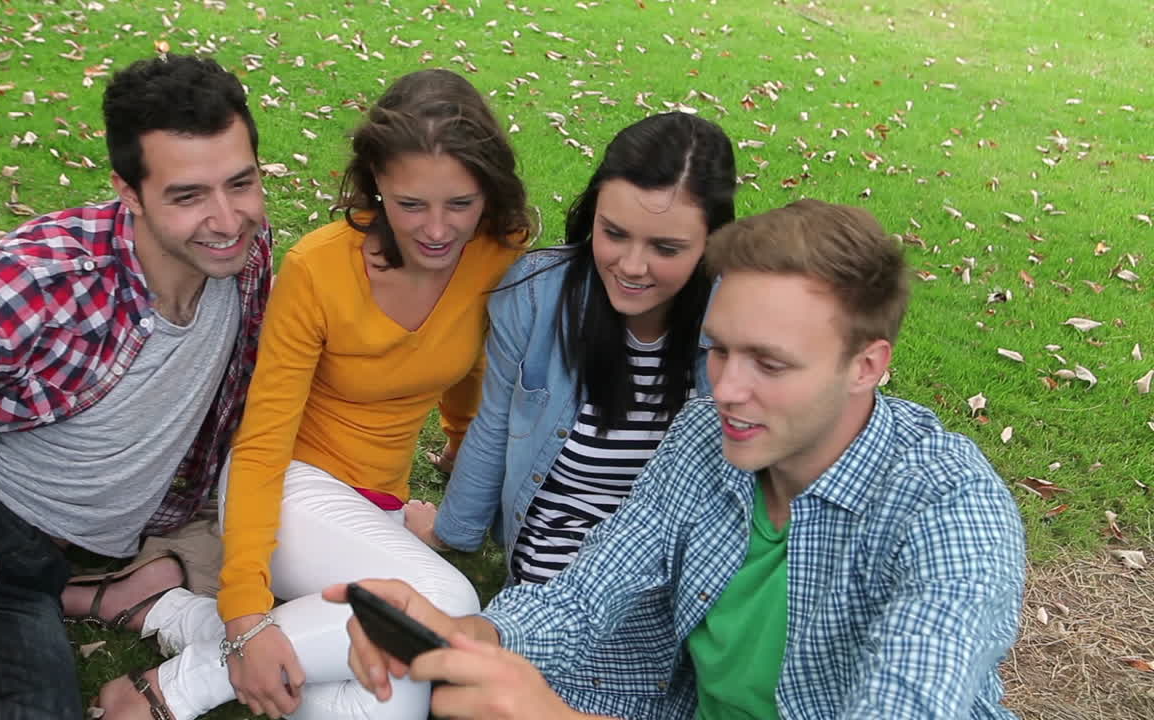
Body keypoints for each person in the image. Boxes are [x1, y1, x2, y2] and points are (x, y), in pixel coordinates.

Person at [329, 199, 1028, 719]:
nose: (726, 388)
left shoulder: (949, 509)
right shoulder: (705, 437)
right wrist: (468, 631)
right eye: (720, 348)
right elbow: (587, 593)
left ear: (866, 365)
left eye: (771, 363)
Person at [97, 68, 533, 720]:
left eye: (461, 204)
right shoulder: (320, 267)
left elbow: (474, 360)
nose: (438, 230)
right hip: (287, 490)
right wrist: (246, 605)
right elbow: (263, 438)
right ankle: (173, 689)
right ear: (377, 181)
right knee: (444, 603)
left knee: (385, 698)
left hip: (374, 511)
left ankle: (182, 618)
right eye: (411, 204)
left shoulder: (499, 254)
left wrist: (460, 447)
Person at [0, 54, 272, 719]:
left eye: (242, 182)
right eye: (188, 196)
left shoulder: (245, 265)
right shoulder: (54, 272)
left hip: (27, 576)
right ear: (129, 191)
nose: (228, 219)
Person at [406, 111, 737, 592]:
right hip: (556, 556)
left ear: (712, 243)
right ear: (592, 214)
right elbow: (496, 423)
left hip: (677, 570)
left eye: (666, 248)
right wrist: (449, 531)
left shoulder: (737, 318)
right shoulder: (538, 296)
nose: (632, 266)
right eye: (615, 233)